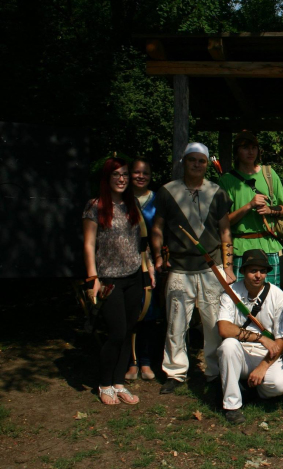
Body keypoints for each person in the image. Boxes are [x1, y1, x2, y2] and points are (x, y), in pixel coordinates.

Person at [151, 142, 234, 394]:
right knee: (176, 322)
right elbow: (157, 227)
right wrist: (157, 255)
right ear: (183, 162)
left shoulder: (217, 192)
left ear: (207, 164)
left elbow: (225, 231)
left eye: (202, 161)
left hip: (211, 267)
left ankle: (214, 370)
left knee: (212, 323)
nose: (197, 165)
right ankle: (175, 372)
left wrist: (228, 267)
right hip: (179, 266)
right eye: (192, 160)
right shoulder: (167, 191)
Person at [82, 157, 154, 405]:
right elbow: (89, 244)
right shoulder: (95, 206)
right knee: (116, 333)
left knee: (128, 332)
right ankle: (105, 384)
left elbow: (141, 243)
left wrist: (149, 270)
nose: (122, 179)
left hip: (134, 276)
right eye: (116, 175)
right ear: (107, 178)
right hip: (108, 278)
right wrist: (93, 278)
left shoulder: (131, 204)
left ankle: (119, 383)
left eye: (125, 174)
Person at [217, 250, 283, 424]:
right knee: (228, 346)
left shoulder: (278, 296)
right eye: (253, 271)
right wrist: (260, 338)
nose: (258, 276)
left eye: (262, 271)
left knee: (281, 384)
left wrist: (262, 367)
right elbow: (224, 328)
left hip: (265, 354)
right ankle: (232, 405)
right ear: (243, 272)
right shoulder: (231, 292)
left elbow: (281, 339)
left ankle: (248, 389)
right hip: (239, 351)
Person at [218, 132, 283, 285]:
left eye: (254, 148)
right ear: (237, 151)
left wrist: (270, 210)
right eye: (245, 148)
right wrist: (249, 206)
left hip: (268, 246)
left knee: (270, 299)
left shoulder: (269, 174)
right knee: (241, 301)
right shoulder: (226, 181)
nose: (250, 152)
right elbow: (224, 222)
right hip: (240, 249)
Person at [125, 158, 160, 381]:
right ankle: (131, 362)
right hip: (125, 261)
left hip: (150, 262)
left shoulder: (157, 199)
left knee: (148, 312)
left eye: (145, 172)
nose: (140, 176)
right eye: (136, 172)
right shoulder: (121, 198)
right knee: (129, 312)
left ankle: (146, 361)